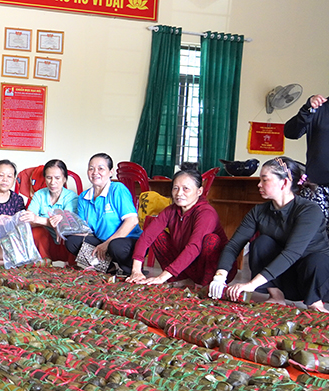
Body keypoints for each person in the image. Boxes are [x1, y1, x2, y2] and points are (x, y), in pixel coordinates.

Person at [209, 157, 329, 312]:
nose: (259, 185)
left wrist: (251, 285)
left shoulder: (309, 210)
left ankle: (315, 302)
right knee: (261, 243)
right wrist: (220, 276)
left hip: (314, 278)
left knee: (316, 260)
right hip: (286, 279)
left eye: (264, 180)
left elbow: (291, 253)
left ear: (284, 183)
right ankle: (276, 296)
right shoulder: (259, 211)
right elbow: (234, 245)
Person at [127, 167, 232, 287]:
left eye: (186, 189)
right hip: (188, 266)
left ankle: (207, 286)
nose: (179, 193)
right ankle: (181, 280)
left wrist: (162, 277)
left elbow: (194, 247)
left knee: (211, 240)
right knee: (158, 235)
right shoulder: (170, 210)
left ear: (199, 191)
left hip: (211, 269)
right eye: (175, 188)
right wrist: (136, 271)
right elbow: (147, 236)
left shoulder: (206, 213)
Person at [65, 153, 141, 273]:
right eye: (91, 168)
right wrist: (62, 229)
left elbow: (132, 220)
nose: (95, 172)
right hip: (102, 241)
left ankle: (129, 269)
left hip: (127, 241)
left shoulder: (117, 189)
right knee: (72, 241)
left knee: (116, 246)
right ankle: (107, 267)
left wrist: (108, 243)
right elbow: (83, 229)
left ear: (110, 172)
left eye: (101, 168)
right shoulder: (83, 197)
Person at [284, 94, 329, 234]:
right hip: (317, 188)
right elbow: (291, 132)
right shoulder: (319, 108)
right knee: (312, 237)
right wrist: (307, 108)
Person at [27, 159, 79, 262]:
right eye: (48, 177)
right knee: (37, 232)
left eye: (57, 178)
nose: (52, 182)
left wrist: (38, 219)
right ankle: (45, 265)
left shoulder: (71, 197)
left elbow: (66, 223)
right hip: (46, 243)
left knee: (71, 235)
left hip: (65, 244)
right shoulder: (39, 195)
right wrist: (48, 222)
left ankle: (71, 268)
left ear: (64, 179)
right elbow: (28, 219)